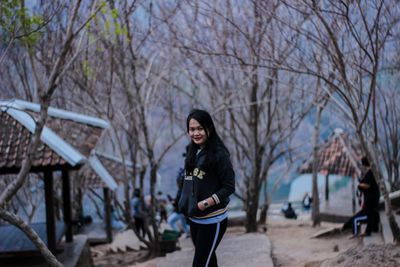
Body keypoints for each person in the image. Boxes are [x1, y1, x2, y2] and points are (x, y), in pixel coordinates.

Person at [178, 109, 235, 267]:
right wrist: (185, 204)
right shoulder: (192, 152)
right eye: (192, 129)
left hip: (213, 220)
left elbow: (229, 187)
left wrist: (205, 204)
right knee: (209, 263)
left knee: (200, 264)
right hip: (195, 219)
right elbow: (189, 182)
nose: (196, 133)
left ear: (209, 128)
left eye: (200, 128)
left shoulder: (219, 154)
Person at [357, 156, 380, 236]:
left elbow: (367, 185)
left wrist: (360, 185)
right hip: (375, 195)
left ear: (364, 164)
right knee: (374, 212)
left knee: (369, 213)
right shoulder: (373, 172)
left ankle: (368, 231)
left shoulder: (370, 173)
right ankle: (375, 228)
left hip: (371, 197)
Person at [168, 167, 190, 237]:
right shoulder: (183, 190)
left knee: (170, 220)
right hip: (184, 211)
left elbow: (178, 202)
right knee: (183, 223)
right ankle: (188, 234)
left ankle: (177, 232)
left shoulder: (180, 191)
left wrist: (173, 203)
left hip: (181, 211)